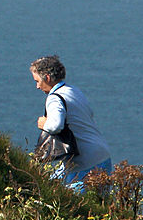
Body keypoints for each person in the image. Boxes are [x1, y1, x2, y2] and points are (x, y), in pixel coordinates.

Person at [30, 55, 112, 193]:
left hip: (83, 162)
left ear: (47, 78)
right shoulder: (73, 90)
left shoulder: (54, 98)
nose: (37, 86)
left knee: (70, 205)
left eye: (37, 81)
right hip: (102, 154)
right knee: (100, 203)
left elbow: (56, 126)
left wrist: (44, 124)